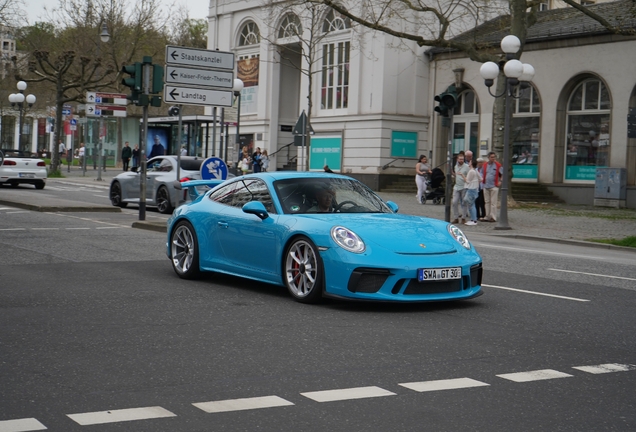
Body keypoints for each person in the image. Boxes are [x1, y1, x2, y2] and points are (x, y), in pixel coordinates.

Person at [480, 151, 503, 222]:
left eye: (494, 157)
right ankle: (487, 216)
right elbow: (482, 173)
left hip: (494, 185)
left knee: (493, 202)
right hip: (486, 185)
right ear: (488, 158)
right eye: (492, 157)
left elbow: (502, 174)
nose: (493, 158)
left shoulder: (498, 165)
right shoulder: (485, 165)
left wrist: (500, 181)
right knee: (487, 202)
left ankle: (493, 217)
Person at [460, 159, 482, 226]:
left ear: (471, 163)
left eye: (469, 162)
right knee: (472, 204)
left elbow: (467, 181)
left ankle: (474, 220)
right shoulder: (475, 171)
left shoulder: (471, 171)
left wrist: (462, 175)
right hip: (474, 189)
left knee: (471, 205)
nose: (468, 163)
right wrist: (476, 184)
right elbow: (481, 179)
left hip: (471, 189)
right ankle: (473, 219)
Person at [451, 153, 470, 224]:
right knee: (454, 202)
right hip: (456, 186)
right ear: (457, 159)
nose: (461, 160)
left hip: (464, 187)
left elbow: (469, 176)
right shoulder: (456, 166)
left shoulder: (467, 167)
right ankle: (456, 217)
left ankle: (463, 218)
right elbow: (456, 175)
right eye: (460, 159)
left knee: (464, 203)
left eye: (462, 159)